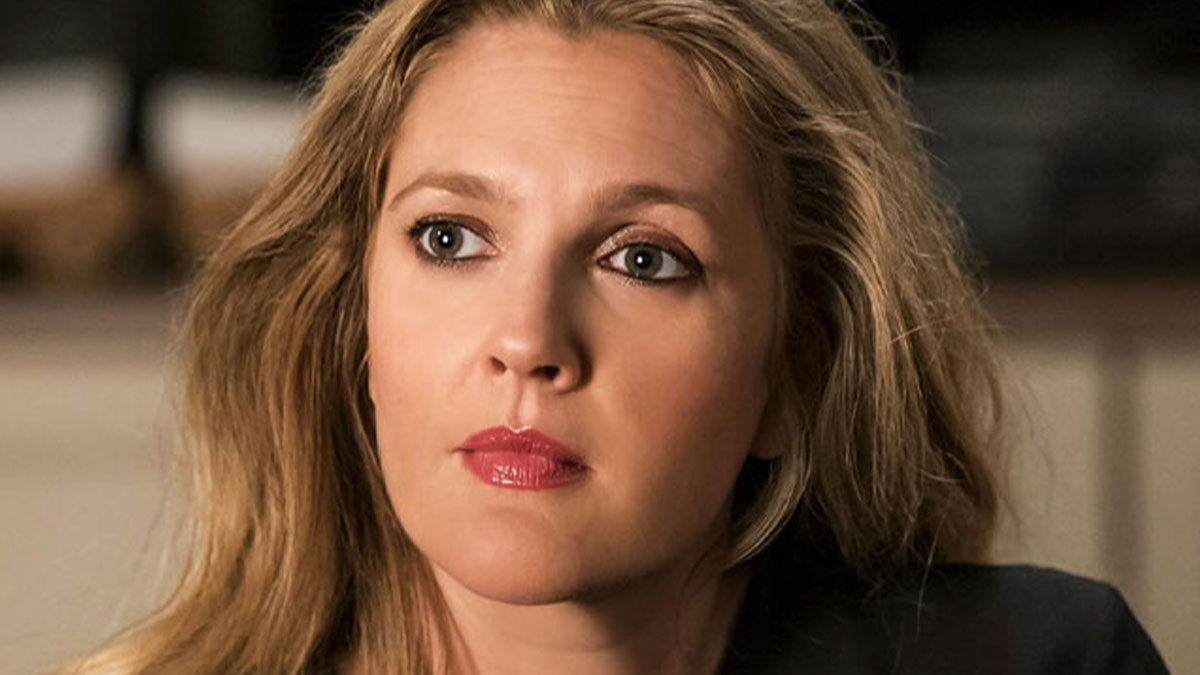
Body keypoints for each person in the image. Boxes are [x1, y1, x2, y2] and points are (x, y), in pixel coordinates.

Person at [62, 0, 1169, 673]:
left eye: (644, 259)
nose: (527, 340)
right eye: (451, 238)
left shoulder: (1046, 659)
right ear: (357, 318)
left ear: (798, 366)